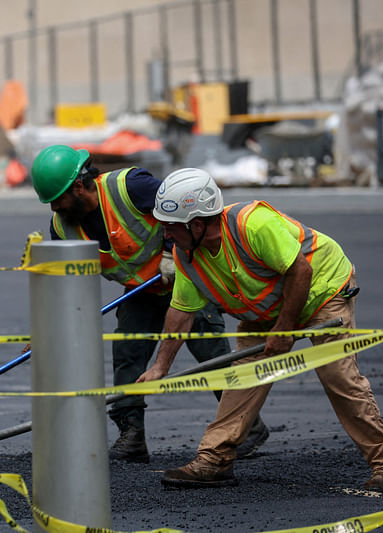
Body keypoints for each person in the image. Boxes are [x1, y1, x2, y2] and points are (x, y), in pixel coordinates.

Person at [137, 168, 383, 491]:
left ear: (196, 224)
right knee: (243, 377)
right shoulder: (187, 255)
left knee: (338, 376)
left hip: (322, 292)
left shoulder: (253, 224)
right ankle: (214, 461)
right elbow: (181, 311)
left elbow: (300, 271)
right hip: (267, 311)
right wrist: (160, 366)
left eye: (170, 228)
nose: (166, 236)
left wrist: (285, 329)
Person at [30, 145, 270, 463]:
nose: (54, 208)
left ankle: (248, 427)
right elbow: (65, 286)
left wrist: (171, 252)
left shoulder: (129, 187)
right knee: (126, 355)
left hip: (184, 278)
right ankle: (132, 437)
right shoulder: (63, 229)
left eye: (57, 199)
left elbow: (181, 211)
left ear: (77, 187)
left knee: (211, 352)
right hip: (139, 291)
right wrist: (46, 329)